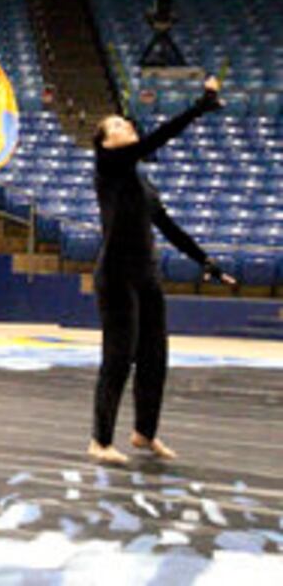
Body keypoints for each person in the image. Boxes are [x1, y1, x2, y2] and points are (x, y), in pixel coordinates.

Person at [87, 76, 237, 464]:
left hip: (146, 276)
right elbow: (155, 141)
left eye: (125, 121)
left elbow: (170, 228)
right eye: (116, 125)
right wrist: (199, 107)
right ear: (104, 142)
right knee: (119, 357)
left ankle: (144, 433)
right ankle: (100, 441)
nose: (125, 125)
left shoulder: (143, 183)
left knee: (155, 357)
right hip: (116, 276)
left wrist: (208, 263)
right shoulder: (107, 164)